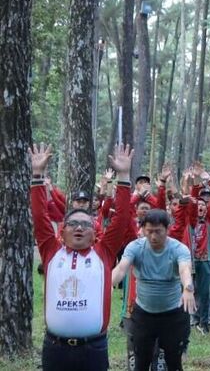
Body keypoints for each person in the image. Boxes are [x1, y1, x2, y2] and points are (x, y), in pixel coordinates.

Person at [30, 143, 134, 371]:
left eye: (85, 224)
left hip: (93, 350)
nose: (79, 228)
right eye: (73, 223)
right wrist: (37, 175)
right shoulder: (51, 252)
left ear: (94, 231)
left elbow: (122, 218)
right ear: (63, 230)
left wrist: (124, 176)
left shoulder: (103, 253)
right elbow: (39, 216)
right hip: (55, 348)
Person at [111, 208, 195, 371]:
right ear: (142, 229)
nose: (153, 236)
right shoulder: (135, 247)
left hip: (172, 314)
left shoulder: (178, 249)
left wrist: (188, 288)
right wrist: (107, 284)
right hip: (144, 314)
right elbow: (121, 268)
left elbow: (185, 269)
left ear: (167, 229)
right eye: (149, 231)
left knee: (173, 361)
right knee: (141, 360)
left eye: (158, 231)